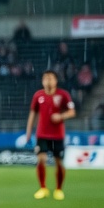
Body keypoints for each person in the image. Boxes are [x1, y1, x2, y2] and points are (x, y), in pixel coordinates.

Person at [25, 69, 75, 200]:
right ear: (42, 81)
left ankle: (58, 189)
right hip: (42, 134)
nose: (48, 80)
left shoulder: (63, 95)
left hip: (57, 135)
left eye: (50, 78)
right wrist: (29, 131)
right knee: (41, 159)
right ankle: (43, 188)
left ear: (56, 80)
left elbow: (72, 112)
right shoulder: (38, 95)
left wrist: (61, 116)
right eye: (45, 78)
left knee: (59, 162)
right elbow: (33, 114)